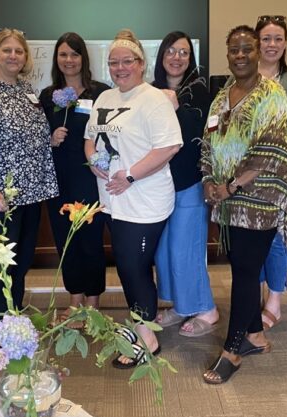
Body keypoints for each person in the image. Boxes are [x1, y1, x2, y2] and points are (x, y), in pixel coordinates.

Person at [201, 26, 287, 384]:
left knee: (244, 272)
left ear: (258, 52)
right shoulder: (223, 95)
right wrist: (208, 180)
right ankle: (256, 335)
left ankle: (233, 349)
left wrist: (230, 185)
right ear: (227, 54)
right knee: (241, 265)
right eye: (234, 50)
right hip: (229, 201)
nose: (240, 55)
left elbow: (270, 151)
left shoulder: (272, 94)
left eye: (247, 49)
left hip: (261, 199)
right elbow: (208, 140)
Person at [84, 29, 182, 368]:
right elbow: (91, 138)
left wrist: (130, 175)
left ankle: (147, 338)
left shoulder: (154, 99)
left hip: (144, 202)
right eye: (114, 63)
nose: (120, 68)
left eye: (127, 61)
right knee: (129, 268)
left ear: (141, 63)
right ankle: (142, 322)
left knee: (133, 267)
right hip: (114, 201)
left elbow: (169, 146)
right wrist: (93, 161)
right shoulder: (105, 99)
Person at [0, 28, 58, 341]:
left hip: (31, 193)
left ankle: (11, 322)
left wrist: (51, 138)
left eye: (19, 51)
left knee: (20, 262)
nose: (13, 56)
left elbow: (30, 136)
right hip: (0, 196)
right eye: (7, 50)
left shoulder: (26, 89)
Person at [151, 31, 219, 336]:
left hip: (190, 181)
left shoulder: (201, 92)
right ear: (161, 55)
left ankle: (206, 309)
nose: (176, 58)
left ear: (191, 59)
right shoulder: (149, 91)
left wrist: (176, 103)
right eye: (171, 51)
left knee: (185, 249)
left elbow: (204, 135)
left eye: (183, 53)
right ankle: (181, 305)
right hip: (155, 184)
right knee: (164, 250)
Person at [39, 33, 110, 324]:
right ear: (57, 59)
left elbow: (109, 134)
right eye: (63, 55)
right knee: (65, 241)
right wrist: (50, 138)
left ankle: (93, 301)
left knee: (90, 241)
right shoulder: (47, 96)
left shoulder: (101, 93)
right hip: (59, 180)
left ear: (84, 58)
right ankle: (75, 300)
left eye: (75, 54)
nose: (69, 60)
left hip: (91, 179)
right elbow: (34, 138)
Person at [254, 15, 287, 330]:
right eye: (266, 38)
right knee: (253, 239)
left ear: (285, 43)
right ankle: (260, 292)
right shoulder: (243, 76)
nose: (271, 45)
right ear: (257, 42)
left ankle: (274, 300)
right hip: (249, 174)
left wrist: (278, 97)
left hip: (282, 174)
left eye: (277, 39)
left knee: (276, 239)